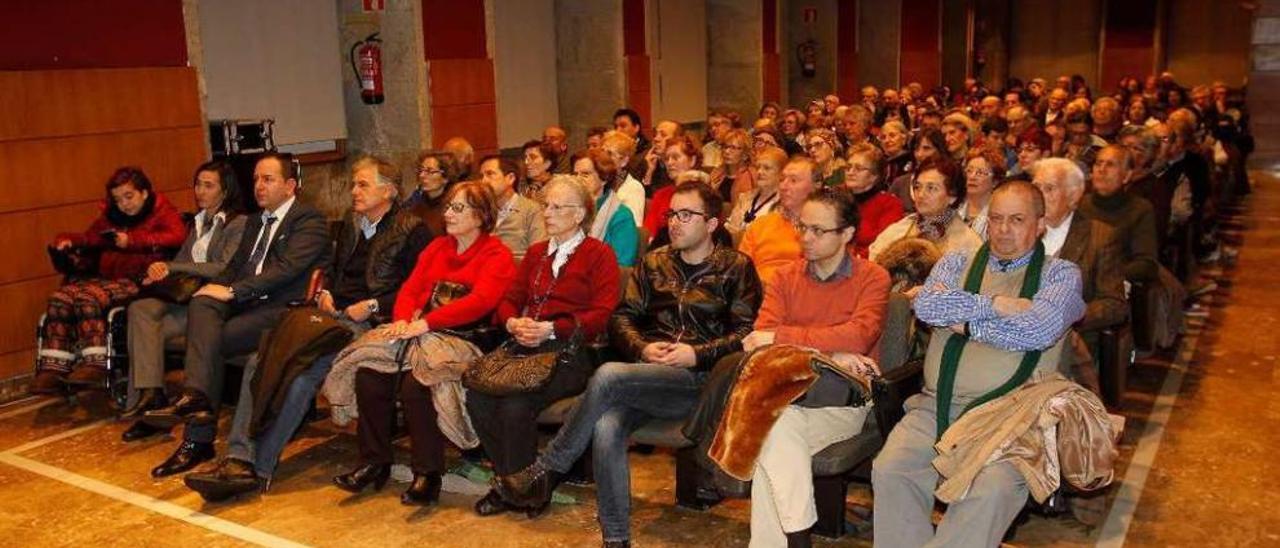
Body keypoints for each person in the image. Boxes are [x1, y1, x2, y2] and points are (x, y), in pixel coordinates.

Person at [495, 181, 763, 548]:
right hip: (649, 376)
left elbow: (746, 333)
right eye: (672, 214)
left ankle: (548, 468)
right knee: (606, 425)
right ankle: (616, 538)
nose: (675, 222)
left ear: (713, 223)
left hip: (702, 381)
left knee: (607, 374)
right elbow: (622, 319)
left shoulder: (736, 267)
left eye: (687, 215)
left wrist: (697, 354)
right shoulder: (654, 262)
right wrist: (642, 348)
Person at [182, 156, 430, 501]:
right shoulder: (353, 223)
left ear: (388, 191)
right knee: (262, 357)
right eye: (353, 184)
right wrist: (327, 292)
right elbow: (331, 268)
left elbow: (418, 287)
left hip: (372, 323)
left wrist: (373, 306)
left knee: (301, 375)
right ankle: (239, 458)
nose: (353, 191)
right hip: (332, 315)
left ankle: (258, 467)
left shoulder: (411, 228)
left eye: (362, 184)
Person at [873, 181, 1086, 547]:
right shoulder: (956, 262)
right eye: (997, 219)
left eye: (1017, 220)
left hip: (1013, 419)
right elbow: (926, 306)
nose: (1003, 230)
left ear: (1039, 224)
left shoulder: (1060, 275)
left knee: (989, 492)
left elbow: (1037, 329)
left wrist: (964, 322)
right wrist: (998, 306)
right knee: (892, 469)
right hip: (935, 407)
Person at [142, 153, 331, 478]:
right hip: (249, 305)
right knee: (202, 304)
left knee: (210, 341)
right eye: (256, 179)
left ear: (290, 186)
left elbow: (286, 270)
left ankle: (200, 436)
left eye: (268, 179)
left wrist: (232, 292)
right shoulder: (255, 221)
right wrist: (214, 287)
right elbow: (234, 268)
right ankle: (197, 400)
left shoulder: (308, 220)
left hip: (283, 309)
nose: (259, 185)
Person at [328, 181, 515, 506]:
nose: (449, 214)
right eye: (448, 207)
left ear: (481, 215)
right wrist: (401, 320)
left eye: (459, 208)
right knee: (370, 374)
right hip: (420, 330)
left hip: (464, 339)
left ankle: (427, 474)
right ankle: (374, 461)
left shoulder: (496, 254)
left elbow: (481, 302)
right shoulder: (438, 247)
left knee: (419, 383)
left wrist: (424, 323)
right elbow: (410, 290)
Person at [739, 188, 890, 547]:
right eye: (802, 227)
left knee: (771, 436)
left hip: (843, 398)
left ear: (847, 234)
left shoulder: (873, 277)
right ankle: (798, 540)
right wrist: (831, 354)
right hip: (786, 393)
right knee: (777, 432)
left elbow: (859, 335)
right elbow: (760, 336)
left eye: (818, 230)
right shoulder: (785, 277)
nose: (805, 237)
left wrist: (787, 339)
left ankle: (796, 540)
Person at [467, 177, 622, 517]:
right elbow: (509, 300)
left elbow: (602, 314)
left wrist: (552, 328)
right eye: (545, 205)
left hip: (570, 352)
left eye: (556, 207)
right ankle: (513, 482)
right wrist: (512, 322)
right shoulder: (538, 252)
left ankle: (527, 491)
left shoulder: (599, 254)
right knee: (478, 395)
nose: (547, 213)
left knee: (515, 404)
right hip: (526, 347)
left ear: (579, 214)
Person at [119, 161, 247, 439]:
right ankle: (151, 399)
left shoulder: (237, 224)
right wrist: (159, 271)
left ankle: (149, 407)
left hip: (212, 305)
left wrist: (174, 267)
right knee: (140, 311)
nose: (200, 191)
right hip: (185, 299)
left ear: (225, 190)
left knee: (144, 333)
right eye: (198, 184)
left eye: (208, 185)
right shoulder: (199, 222)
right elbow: (178, 263)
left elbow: (222, 267)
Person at [34, 167, 188, 393]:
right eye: (118, 199)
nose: (124, 204)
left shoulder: (163, 212)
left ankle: (95, 363)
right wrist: (67, 240)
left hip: (142, 279)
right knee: (60, 297)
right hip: (109, 277)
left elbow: (177, 236)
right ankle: (53, 367)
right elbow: (90, 238)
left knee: (88, 297)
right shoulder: (112, 217)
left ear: (144, 193)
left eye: (129, 197)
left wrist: (132, 241)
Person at [1032, 158, 1127, 390]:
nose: (1038, 196)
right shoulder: (1020, 230)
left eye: (1049, 188)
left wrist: (1065, 318)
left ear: (1074, 197)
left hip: (1073, 343)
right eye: (1035, 188)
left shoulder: (1101, 237)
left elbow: (1114, 305)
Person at [869, 158, 982, 262]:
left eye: (931, 188)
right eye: (918, 187)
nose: (921, 195)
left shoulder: (968, 244)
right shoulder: (900, 229)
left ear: (952, 196)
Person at [1078, 145, 1159, 283]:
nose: (1102, 170)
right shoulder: (1079, 203)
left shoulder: (1140, 209)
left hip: (1116, 285)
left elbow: (1146, 263)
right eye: (1098, 163)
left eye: (1110, 165)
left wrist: (1105, 275)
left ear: (1126, 176)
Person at [739, 156, 818, 287]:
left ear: (815, 186)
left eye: (793, 180)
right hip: (760, 294)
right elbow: (741, 272)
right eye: (782, 179)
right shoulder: (760, 225)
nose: (783, 186)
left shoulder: (825, 229)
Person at [573, 150, 640, 266]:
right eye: (575, 174)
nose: (577, 180)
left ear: (604, 178)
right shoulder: (568, 209)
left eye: (585, 174)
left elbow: (620, 266)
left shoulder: (622, 217)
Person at [480, 155, 546, 262]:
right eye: (482, 176)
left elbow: (539, 255)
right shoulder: (480, 212)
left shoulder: (531, 210)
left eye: (490, 174)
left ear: (510, 178)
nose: (483, 181)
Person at [844, 143, 905, 257]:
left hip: (868, 264)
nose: (850, 172)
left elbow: (884, 245)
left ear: (874, 176)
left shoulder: (890, 204)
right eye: (848, 167)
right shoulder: (837, 199)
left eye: (858, 168)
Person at [642, 134, 701, 239]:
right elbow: (648, 234)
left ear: (692, 160)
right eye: (666, 159)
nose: (669, 163)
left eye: (675, 157)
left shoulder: (704, 193)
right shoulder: (661, 195)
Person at [725, 147, 784, 238]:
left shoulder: (785, 204)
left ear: (781, 173)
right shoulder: (745, 197)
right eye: (758, 167)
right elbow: (731, 229)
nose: (760, 172)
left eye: (766, 168)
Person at [887, 128, 947, 213]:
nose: (919, 154)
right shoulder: (900, 183)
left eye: (926, 148)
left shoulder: (950, 181)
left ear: (940, 150)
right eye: (916, 149)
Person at [959, 146, 1007, 240]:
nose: (972, 177)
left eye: (980, 173)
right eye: (969, 170)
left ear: (995, 181)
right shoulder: (954, 207)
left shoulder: (999, 215)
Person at [600, 130, 648, 224]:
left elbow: (633, 227)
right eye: (602, 152)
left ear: (624, 161)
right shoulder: (599, 183)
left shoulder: (633, 188)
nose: (604, 157)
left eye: (610, 154)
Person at [404, 151, 455, 236]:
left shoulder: (452, 208)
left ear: (445, 178)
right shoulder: (415, 207)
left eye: (429, 171)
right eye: (421, 170)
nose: (422, 175)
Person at [710, 128, 754, 205]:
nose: (727, 151)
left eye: (733, 148)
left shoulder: (751, 176)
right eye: (725, 147)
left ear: (745, 154)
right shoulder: (717, 173)